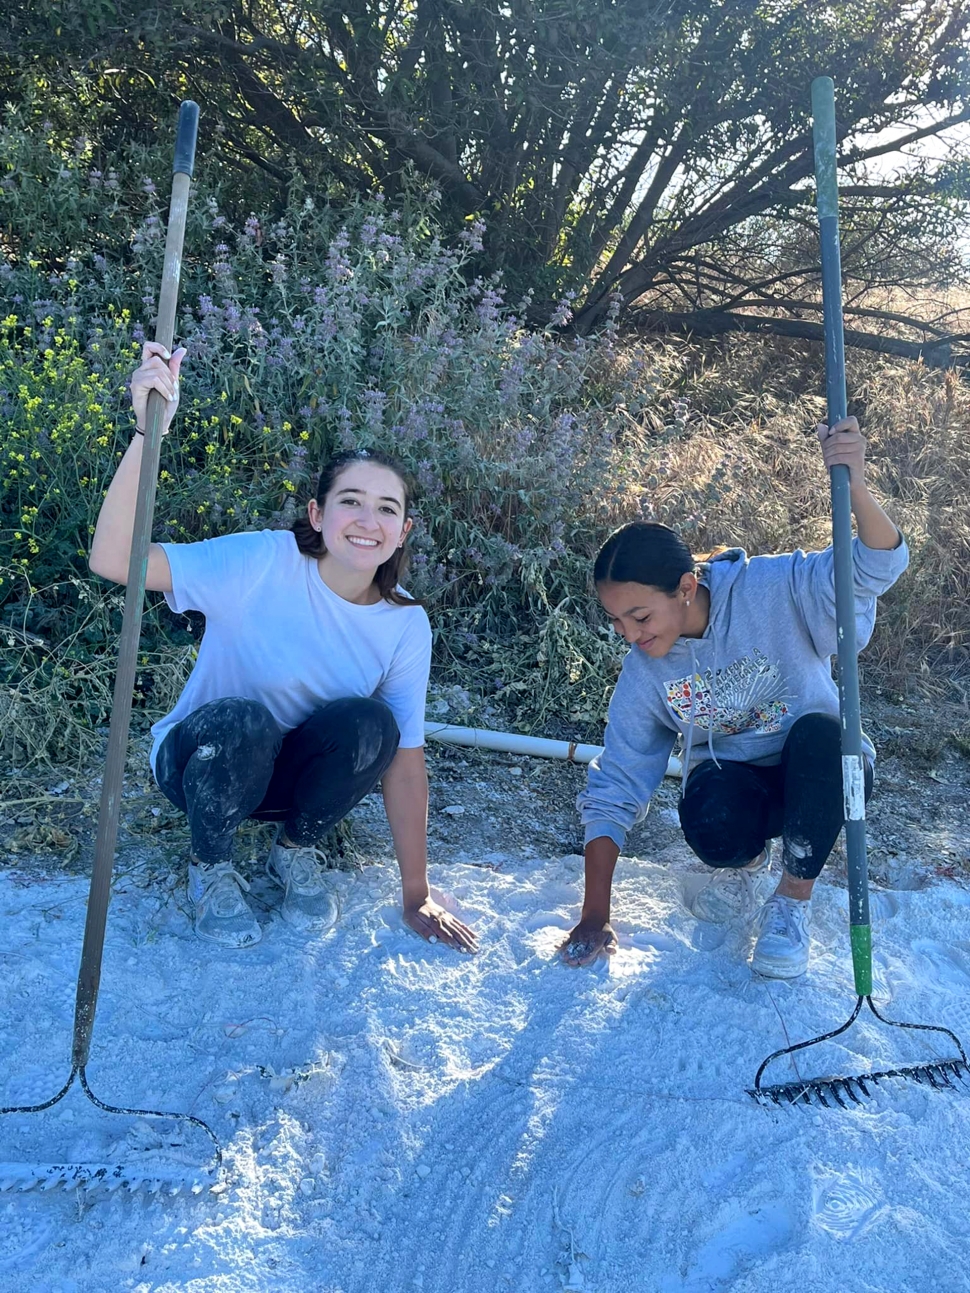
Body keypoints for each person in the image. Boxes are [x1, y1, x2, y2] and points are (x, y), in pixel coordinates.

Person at [89, 342, 478, 955]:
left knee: (372, 723)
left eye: (386, 509)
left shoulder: (404, 622)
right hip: (203, 764)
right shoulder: (263, 561)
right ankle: (210, 866)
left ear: (403, 531)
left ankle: (294, 851)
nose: (366, 520)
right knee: (246, 720)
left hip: (289, 783)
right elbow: (115, 561)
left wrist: (416, 891)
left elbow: (403, 759)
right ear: (317, 514)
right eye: (350, 500)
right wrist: (147, 430)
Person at [561, 416, 908, 979]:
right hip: (736, 781)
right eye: (617, 620)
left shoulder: (775, 587)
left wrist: (857, 484)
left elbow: (875, 566)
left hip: (817, 770)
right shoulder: (646, 670)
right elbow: (617, 780)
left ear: (687, 587)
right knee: (711, 821)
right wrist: (595, 914)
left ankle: (792, 900)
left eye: (640, 615)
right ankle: (750, 862)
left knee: (829, 740)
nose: (629, 633)